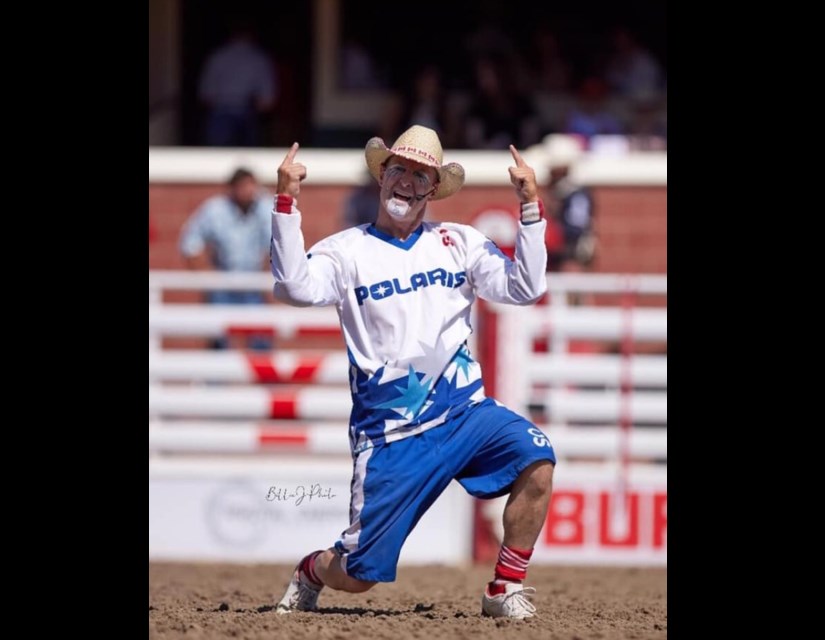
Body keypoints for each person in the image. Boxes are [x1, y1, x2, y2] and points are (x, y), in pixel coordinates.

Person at [270, 125, 555, 619]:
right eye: (398, 169)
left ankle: (503, 588)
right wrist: (286, 203)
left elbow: (524, 288)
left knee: (538, 460)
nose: (406, 181)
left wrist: (530, 209)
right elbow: (293, 286)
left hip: (466, 413)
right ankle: (312, 570)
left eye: (420, 175)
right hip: (392, 435)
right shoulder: (346, 251)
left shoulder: (460, 242)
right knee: (357, 577)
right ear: (381, 177)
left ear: (433, 189)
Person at [178, 167, 273, 348]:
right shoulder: (215, 210)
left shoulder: (265, 208)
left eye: (251, 186)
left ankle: (264, 377)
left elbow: (278, 245)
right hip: (222, 286)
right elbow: (189, 243)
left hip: (252, 287)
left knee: (262, 338)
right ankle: (216, 377)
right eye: (243, 186)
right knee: (219, 342)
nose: (248, 191)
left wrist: (268, 277)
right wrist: (207, 277)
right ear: (232, 188)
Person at [197, 22, 277, 147]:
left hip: (222, 111)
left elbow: (206, 93)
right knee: (248, 159)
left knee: (217, 156)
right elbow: (266, 99)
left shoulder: (218, 57)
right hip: (246, 111)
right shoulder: (258, 58)